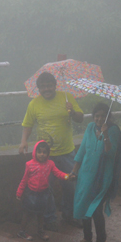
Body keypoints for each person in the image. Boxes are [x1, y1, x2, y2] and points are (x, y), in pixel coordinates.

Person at [19, 71, 84, 230]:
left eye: (49, 85)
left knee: (70, 185)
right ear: (39, 89)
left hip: (67, 152)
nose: (46, 89)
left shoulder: (66, 98)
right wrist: (23, 141)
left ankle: (69, 215)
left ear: (55, 85)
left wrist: (72, 112)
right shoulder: (34, 104)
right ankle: (49, 219)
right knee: (45, 188)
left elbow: (80, 119)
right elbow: (28, 124)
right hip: (44, 156)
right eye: (43, 87)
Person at [70, 102, 121, 242]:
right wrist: (74, 171)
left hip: (102, 177)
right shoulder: (90, 128)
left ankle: (101, 240)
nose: (99, 119)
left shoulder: (113, 131)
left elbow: (110, 153)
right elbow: (82, 151)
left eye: (103, 116)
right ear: (93, 117)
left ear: (108, 117)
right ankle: (87, 238)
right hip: (86, 175)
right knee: (83, 205)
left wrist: (105, 135)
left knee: (95, 209)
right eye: (97, 116)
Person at [16, 140, 71, 241]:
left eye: (44, 152)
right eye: (39, 152)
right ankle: (22, 231)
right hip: (31, 194)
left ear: (48, 154)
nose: (42, 154)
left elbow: (58, 173)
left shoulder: (50, 164)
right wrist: (19, 192)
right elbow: (24, 179)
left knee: (41, 213)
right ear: (35, 153)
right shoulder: (29, 164)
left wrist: (67, 176)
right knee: (27, 213)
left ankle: (40, 231)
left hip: (43, 193)